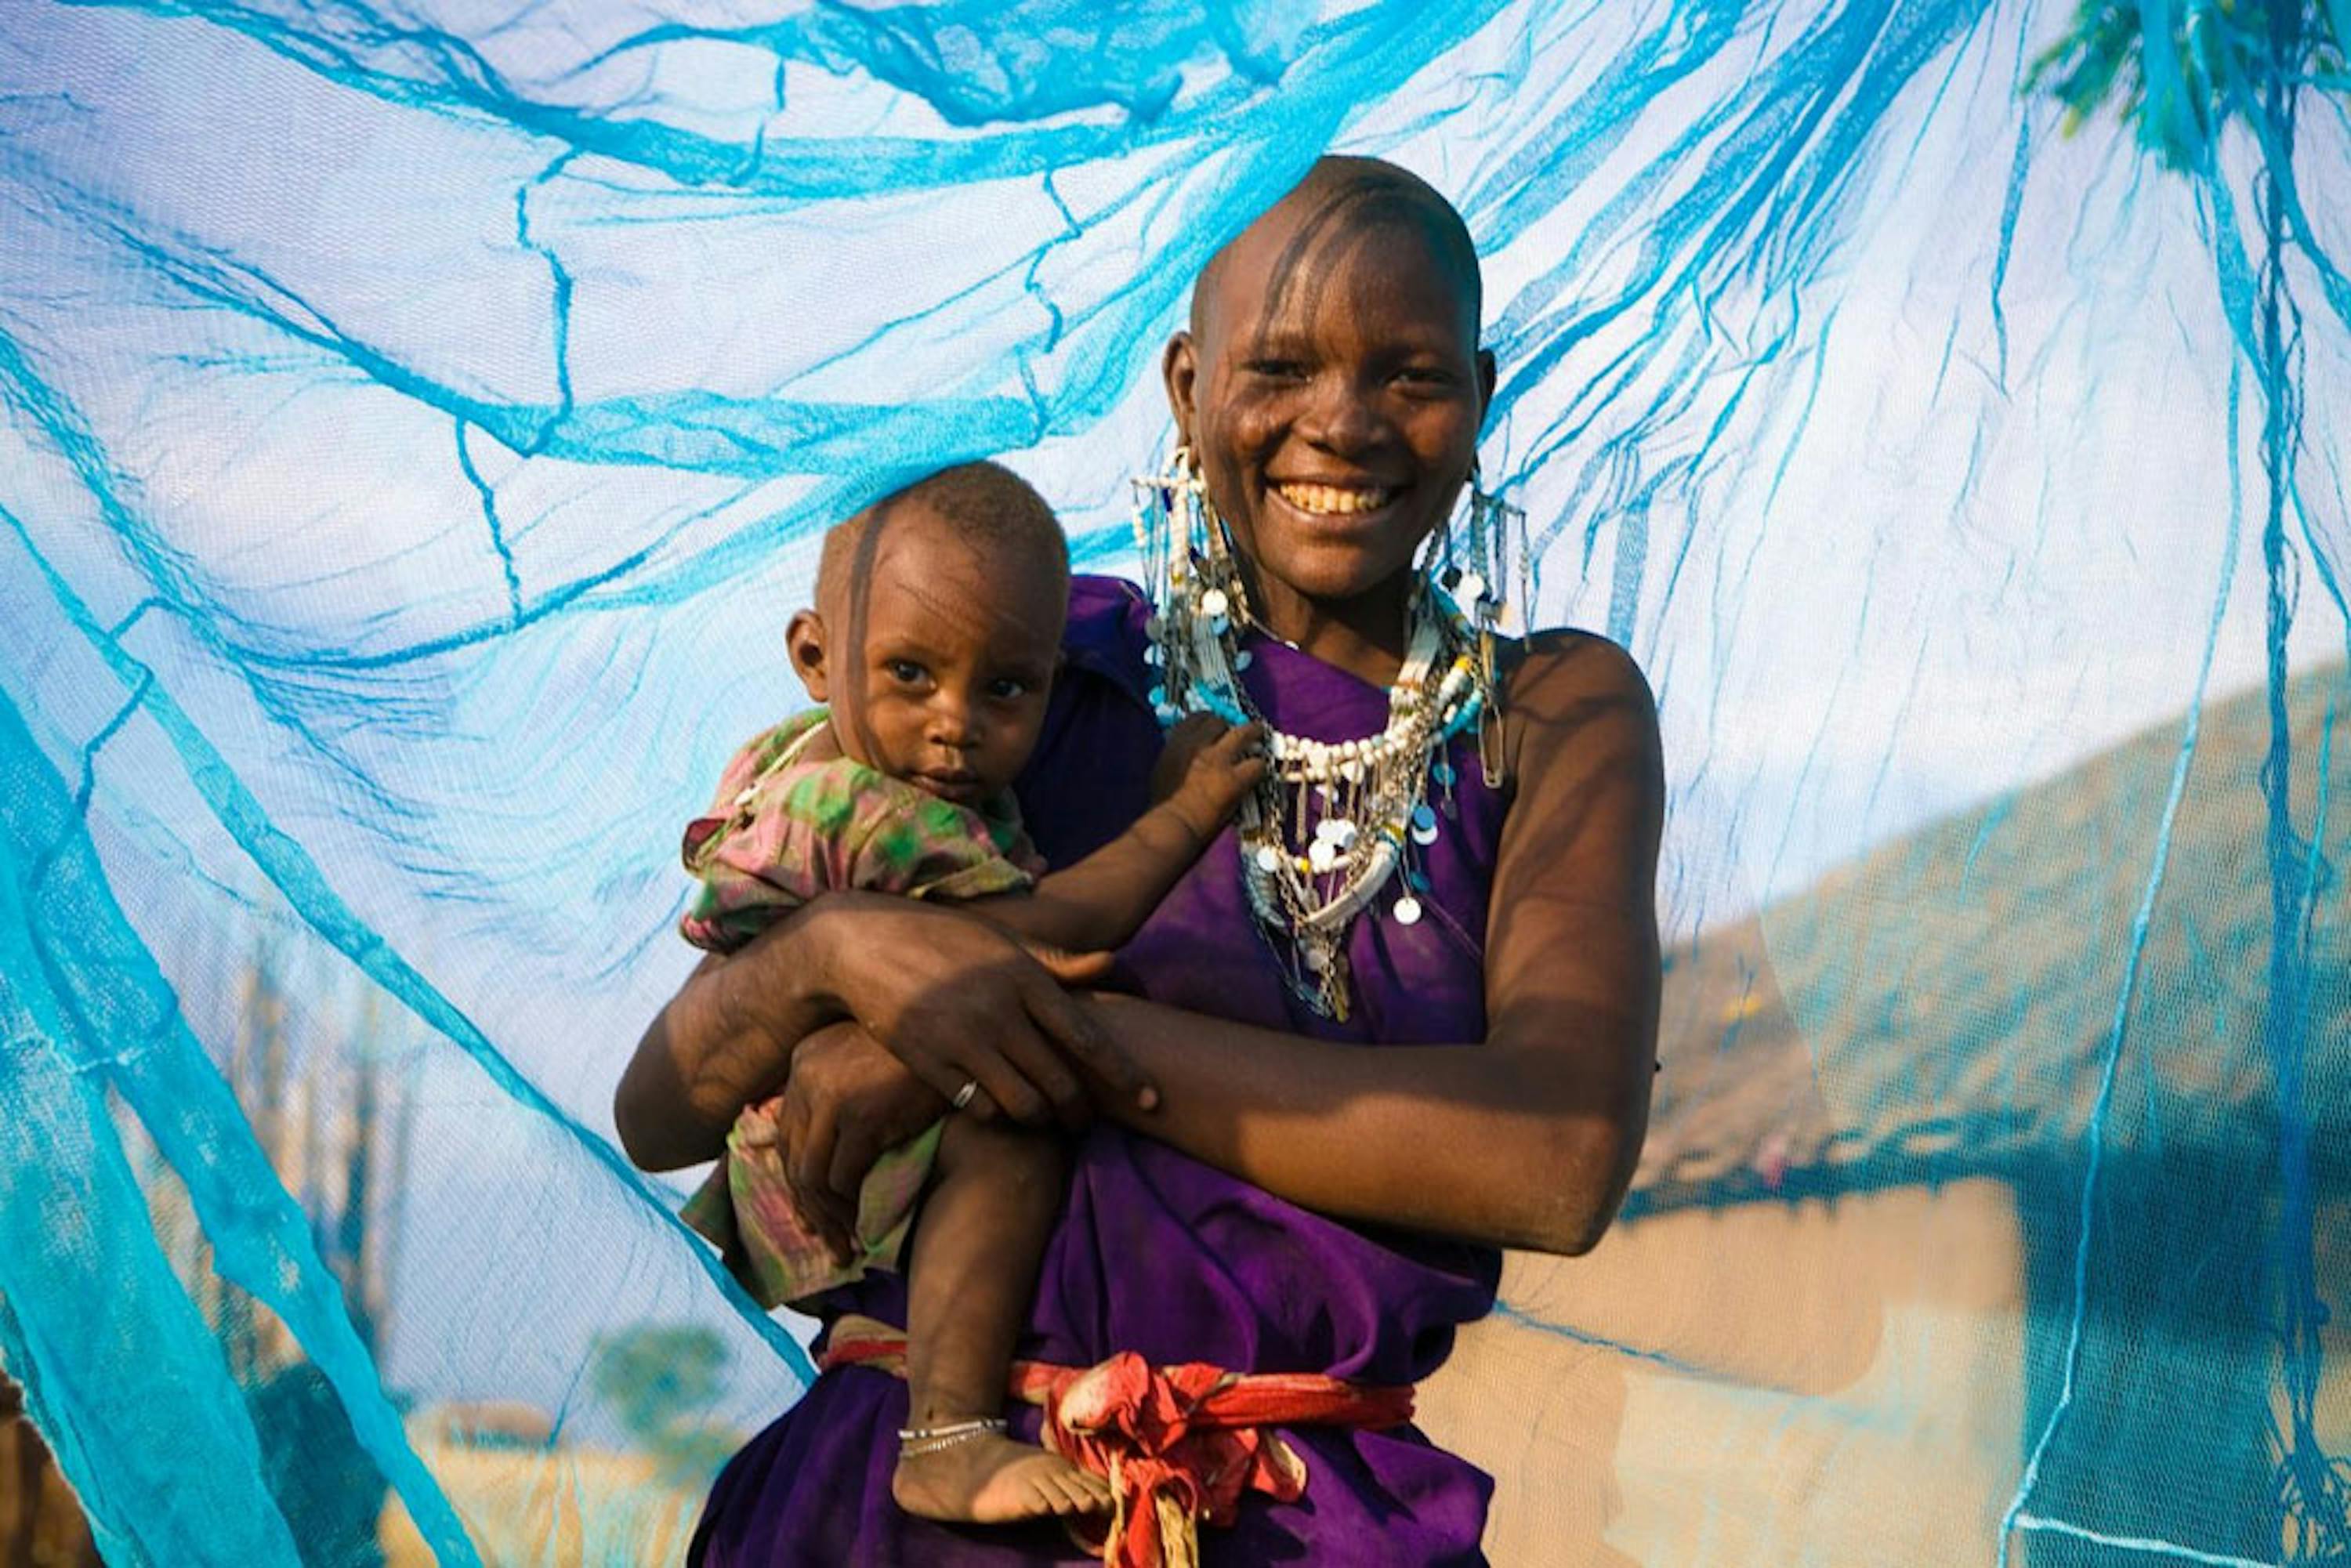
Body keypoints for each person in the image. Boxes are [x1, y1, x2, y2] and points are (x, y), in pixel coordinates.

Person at [617, 154, 1665, 1565]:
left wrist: (1013, 1034)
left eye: (1408, 376)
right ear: (1186, 387)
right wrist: (830, 956)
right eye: (1280, 366)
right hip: (905, 1499)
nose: (1341, 425)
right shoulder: (1027, 673)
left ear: (1481, 401)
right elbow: (663, 1113)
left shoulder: (1550, 714)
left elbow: (1553, 1160)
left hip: (1306, 1522)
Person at [672, 460, 1265, 1524]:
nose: (955, 721)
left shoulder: (792, 760)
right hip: (822, 1151)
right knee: (1017, 1111)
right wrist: (1183, 814)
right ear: (815, 655)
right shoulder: (887, 812)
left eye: (1005, 688)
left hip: (792, 1144)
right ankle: (947, 1435)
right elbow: (1059, 930)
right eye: (910, 673)